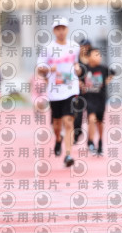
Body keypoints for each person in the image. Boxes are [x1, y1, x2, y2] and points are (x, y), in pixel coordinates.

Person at [36, 17, 81, 167]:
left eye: (63, 28)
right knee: (56, 124)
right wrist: (49, 69)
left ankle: (68, 155)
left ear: (67, 29)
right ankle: (58, 138)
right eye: (58, 29)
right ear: (54, 31)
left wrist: (78, 68)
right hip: (55, 91)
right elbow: (39, 69)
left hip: (71, 89)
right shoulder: (48, 48)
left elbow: (77, 63)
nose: (61, 31)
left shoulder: (74, 46)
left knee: (68, 122)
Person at [80, 48, 114, 156]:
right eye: (96, 55)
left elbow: (113, 73)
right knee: (91, 118)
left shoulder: (103, 69)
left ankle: (100, 141)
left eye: (99, 55)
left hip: (100, 98)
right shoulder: (84, 69)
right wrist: (82, 85)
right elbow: (77, 77)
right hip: (89, 98)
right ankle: (90, 141)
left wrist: (105, 82)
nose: (98, 57)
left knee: (99, 122)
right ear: (89, 57)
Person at [73, 40, 92, 144]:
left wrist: (90, 84)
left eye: (87, 47)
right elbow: (70, 74)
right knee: (78, 115)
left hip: (90, 91)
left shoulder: (92, 59)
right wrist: (78, 82)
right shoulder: (76, 60)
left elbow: (96, 73)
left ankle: (91, 140)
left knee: (91, 115)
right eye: (83, 46)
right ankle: (77, 134)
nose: (85, 48)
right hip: (78, 91)